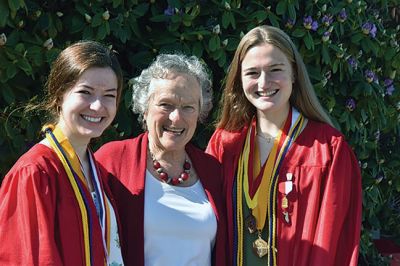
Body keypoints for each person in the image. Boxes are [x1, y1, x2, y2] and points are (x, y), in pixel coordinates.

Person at [206, 25, 362, 266]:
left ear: (294, 74)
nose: (264, 82)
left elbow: (336, 243)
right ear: (239, 79)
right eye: (252, 73)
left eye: (275, 69)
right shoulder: (224, 144)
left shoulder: (327, 150)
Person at [0, 40, 125, 265]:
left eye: (109, 95)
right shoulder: (35, 172)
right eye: (85, 92)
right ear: (59, 95)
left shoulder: (95, 169)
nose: (97, 106)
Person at [95, 53, 227, 266]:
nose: (176, 117)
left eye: (188, 107)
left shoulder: (213, 171)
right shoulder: (111, 162)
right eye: (165, 104)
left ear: (199, 114)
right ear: (145, 109)